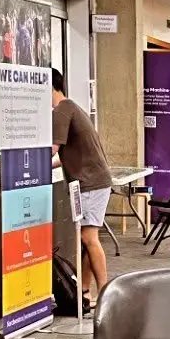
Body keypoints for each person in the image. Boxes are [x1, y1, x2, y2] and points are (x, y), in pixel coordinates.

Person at [50, 69, 111, 309]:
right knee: (86, 238)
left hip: (91, 182)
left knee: (88, 237)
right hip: (91, 180)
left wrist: (28, 166)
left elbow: (53, 149)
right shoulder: (71, 107)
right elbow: (67, 155)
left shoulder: (63, 109)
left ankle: (107, 295)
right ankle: (84, 293)